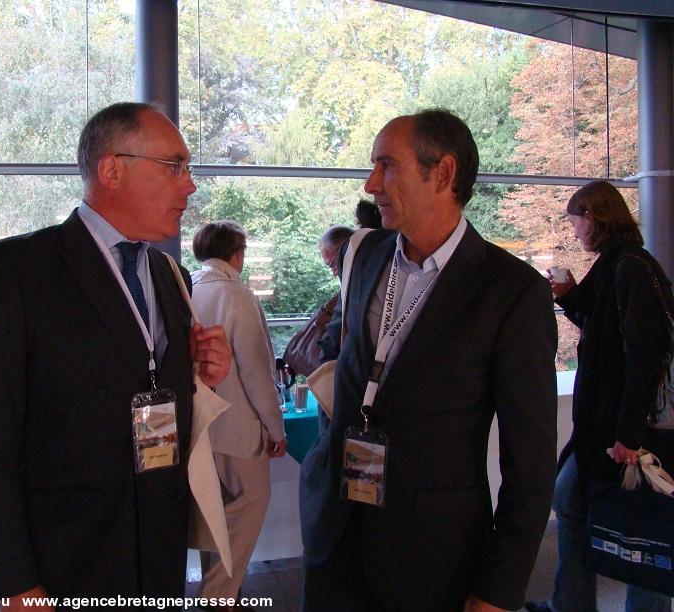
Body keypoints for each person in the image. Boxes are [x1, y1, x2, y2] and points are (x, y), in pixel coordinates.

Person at [0, 102, 232, 609]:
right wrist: (13, 583)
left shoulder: (172, 277)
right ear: (112, 170)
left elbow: (149, 389)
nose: (190, 185)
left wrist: (202, 377)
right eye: (175, 166)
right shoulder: (19, 271)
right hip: (66, 565)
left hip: (157, 556)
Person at [299, 108, 558, 612]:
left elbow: (530, 462)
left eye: (386, 166)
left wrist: (499, 589)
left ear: (442, 173)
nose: (372, 183)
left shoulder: (512, 291)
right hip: (335, 534)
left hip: (431, 555)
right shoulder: (367, 255)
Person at [526, 181, 674, 612]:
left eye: (575, 222)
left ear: (593, 217)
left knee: (643, 527)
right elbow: (601, 318)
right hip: (610, 426)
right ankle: (570, 603)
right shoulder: (621, 263)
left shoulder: (627, 268)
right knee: (584, 503)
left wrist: (628, 434)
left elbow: (643, 353)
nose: (574, 232)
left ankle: (573, 604)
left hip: (625, 430)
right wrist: (570, 294)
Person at [189, 220, 287, 607]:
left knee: (214, 518)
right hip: (241, 432)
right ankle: (216, 597)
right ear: (237, 254)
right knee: (247, 514)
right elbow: (256, 372)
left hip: (200, 427)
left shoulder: (188, 289)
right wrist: (275, 429)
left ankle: (221, 594)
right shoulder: (237, 295)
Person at [282, 225, 354, 378]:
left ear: (348, 250)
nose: (334, 273)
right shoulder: (347, 291)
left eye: (333, 264)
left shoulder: (354, 292)